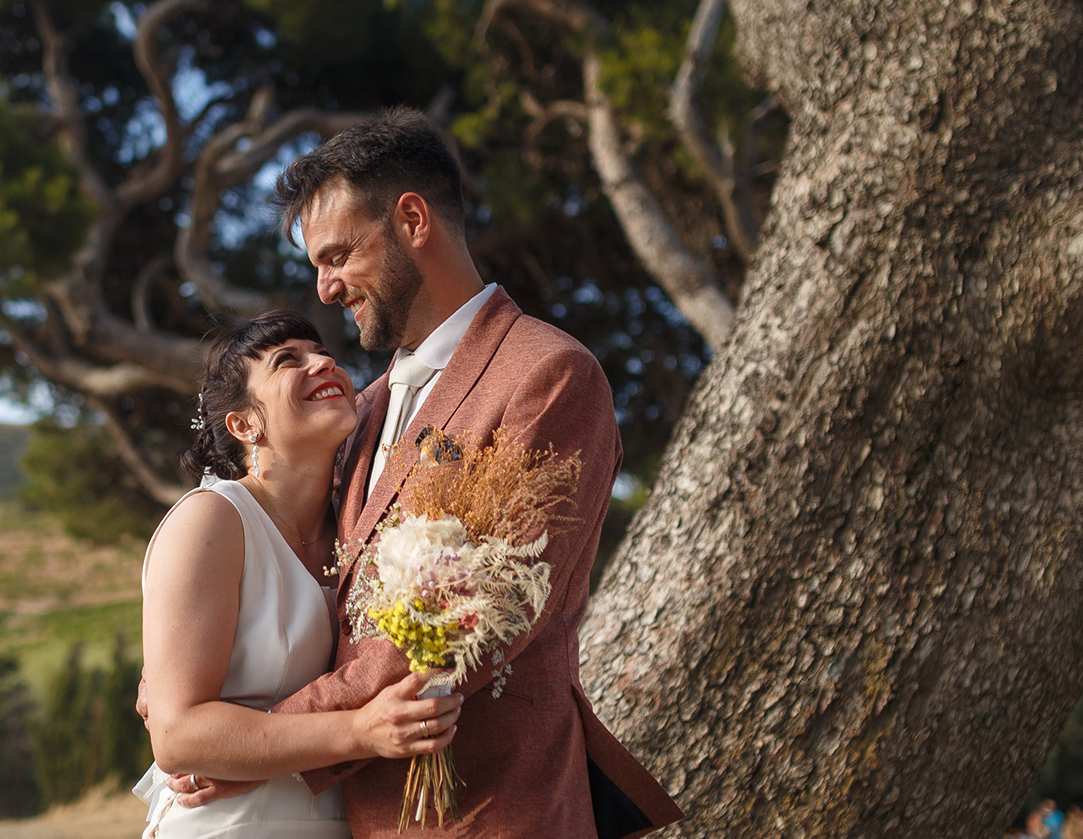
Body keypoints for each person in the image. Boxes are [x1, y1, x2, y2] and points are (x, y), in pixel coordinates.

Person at [149, 109, 681, 838]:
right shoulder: (358, 415)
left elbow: (464, 630)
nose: (327, 290)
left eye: (337, 256)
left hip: (491, 808)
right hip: (354, 816)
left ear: (411, 220)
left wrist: (249, 737)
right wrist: (185, 691)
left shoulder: (549, 377)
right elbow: (318, 589)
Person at [133, 311, 468, 837]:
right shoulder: (212, 520)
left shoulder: (364, 526)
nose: (323, 362)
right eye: (289, 360)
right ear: (245, 425)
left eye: (323, 352)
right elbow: (177, 737)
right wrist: (359, 731)